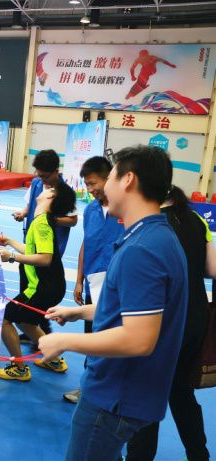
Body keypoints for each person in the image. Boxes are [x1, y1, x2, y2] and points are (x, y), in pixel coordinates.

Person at [40, 145, 188, 461]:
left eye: (110, 177)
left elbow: (138, 338)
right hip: (125, 393)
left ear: (128, 180)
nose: (103, 187)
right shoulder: (155, 236)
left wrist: (63, 342)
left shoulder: (142, 249)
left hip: (114, 396)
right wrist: (79, 312)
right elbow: (130, 307)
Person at [125, 185, 213, 461]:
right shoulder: (197, 221)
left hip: (162, 320)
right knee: (181, 391)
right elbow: (212, 269)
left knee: (146, 391)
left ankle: (139, 457)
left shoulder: (150, 226)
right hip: (195, 319)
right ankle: (199, 454)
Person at [0, 182, 76, 381]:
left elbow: (45, 258)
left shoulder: (42, 223)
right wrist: (11, 242)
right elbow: (33, 250)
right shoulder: (41, 220)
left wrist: (12, 257)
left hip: (43, 288)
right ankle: (53, 359)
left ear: (51, 197)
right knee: (26, 321)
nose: (45, 189)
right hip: (51, 286)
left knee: (5, 318)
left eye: (50, 189)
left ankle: (19, 368)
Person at [63, 156, 124, 404]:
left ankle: (111, 390)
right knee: (92, 338)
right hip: (93, 287)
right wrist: (79, 280)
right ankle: (88, 388)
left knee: (114, 341)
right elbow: (86, 245)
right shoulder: (90, 210)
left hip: (119, 289)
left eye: (92, 183)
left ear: (109, 178)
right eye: (86, 184)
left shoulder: (125, 209)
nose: (89, 189)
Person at [13, 149, 78, 255]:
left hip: (51, 248)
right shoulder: (36, 183)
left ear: (56, 171)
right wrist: (23, 213)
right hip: (32, 241)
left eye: (45, 176)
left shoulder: (65, 192)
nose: (42, 179)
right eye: (39, 175)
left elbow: (73, 220)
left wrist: (50, 220)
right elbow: (30, 205)